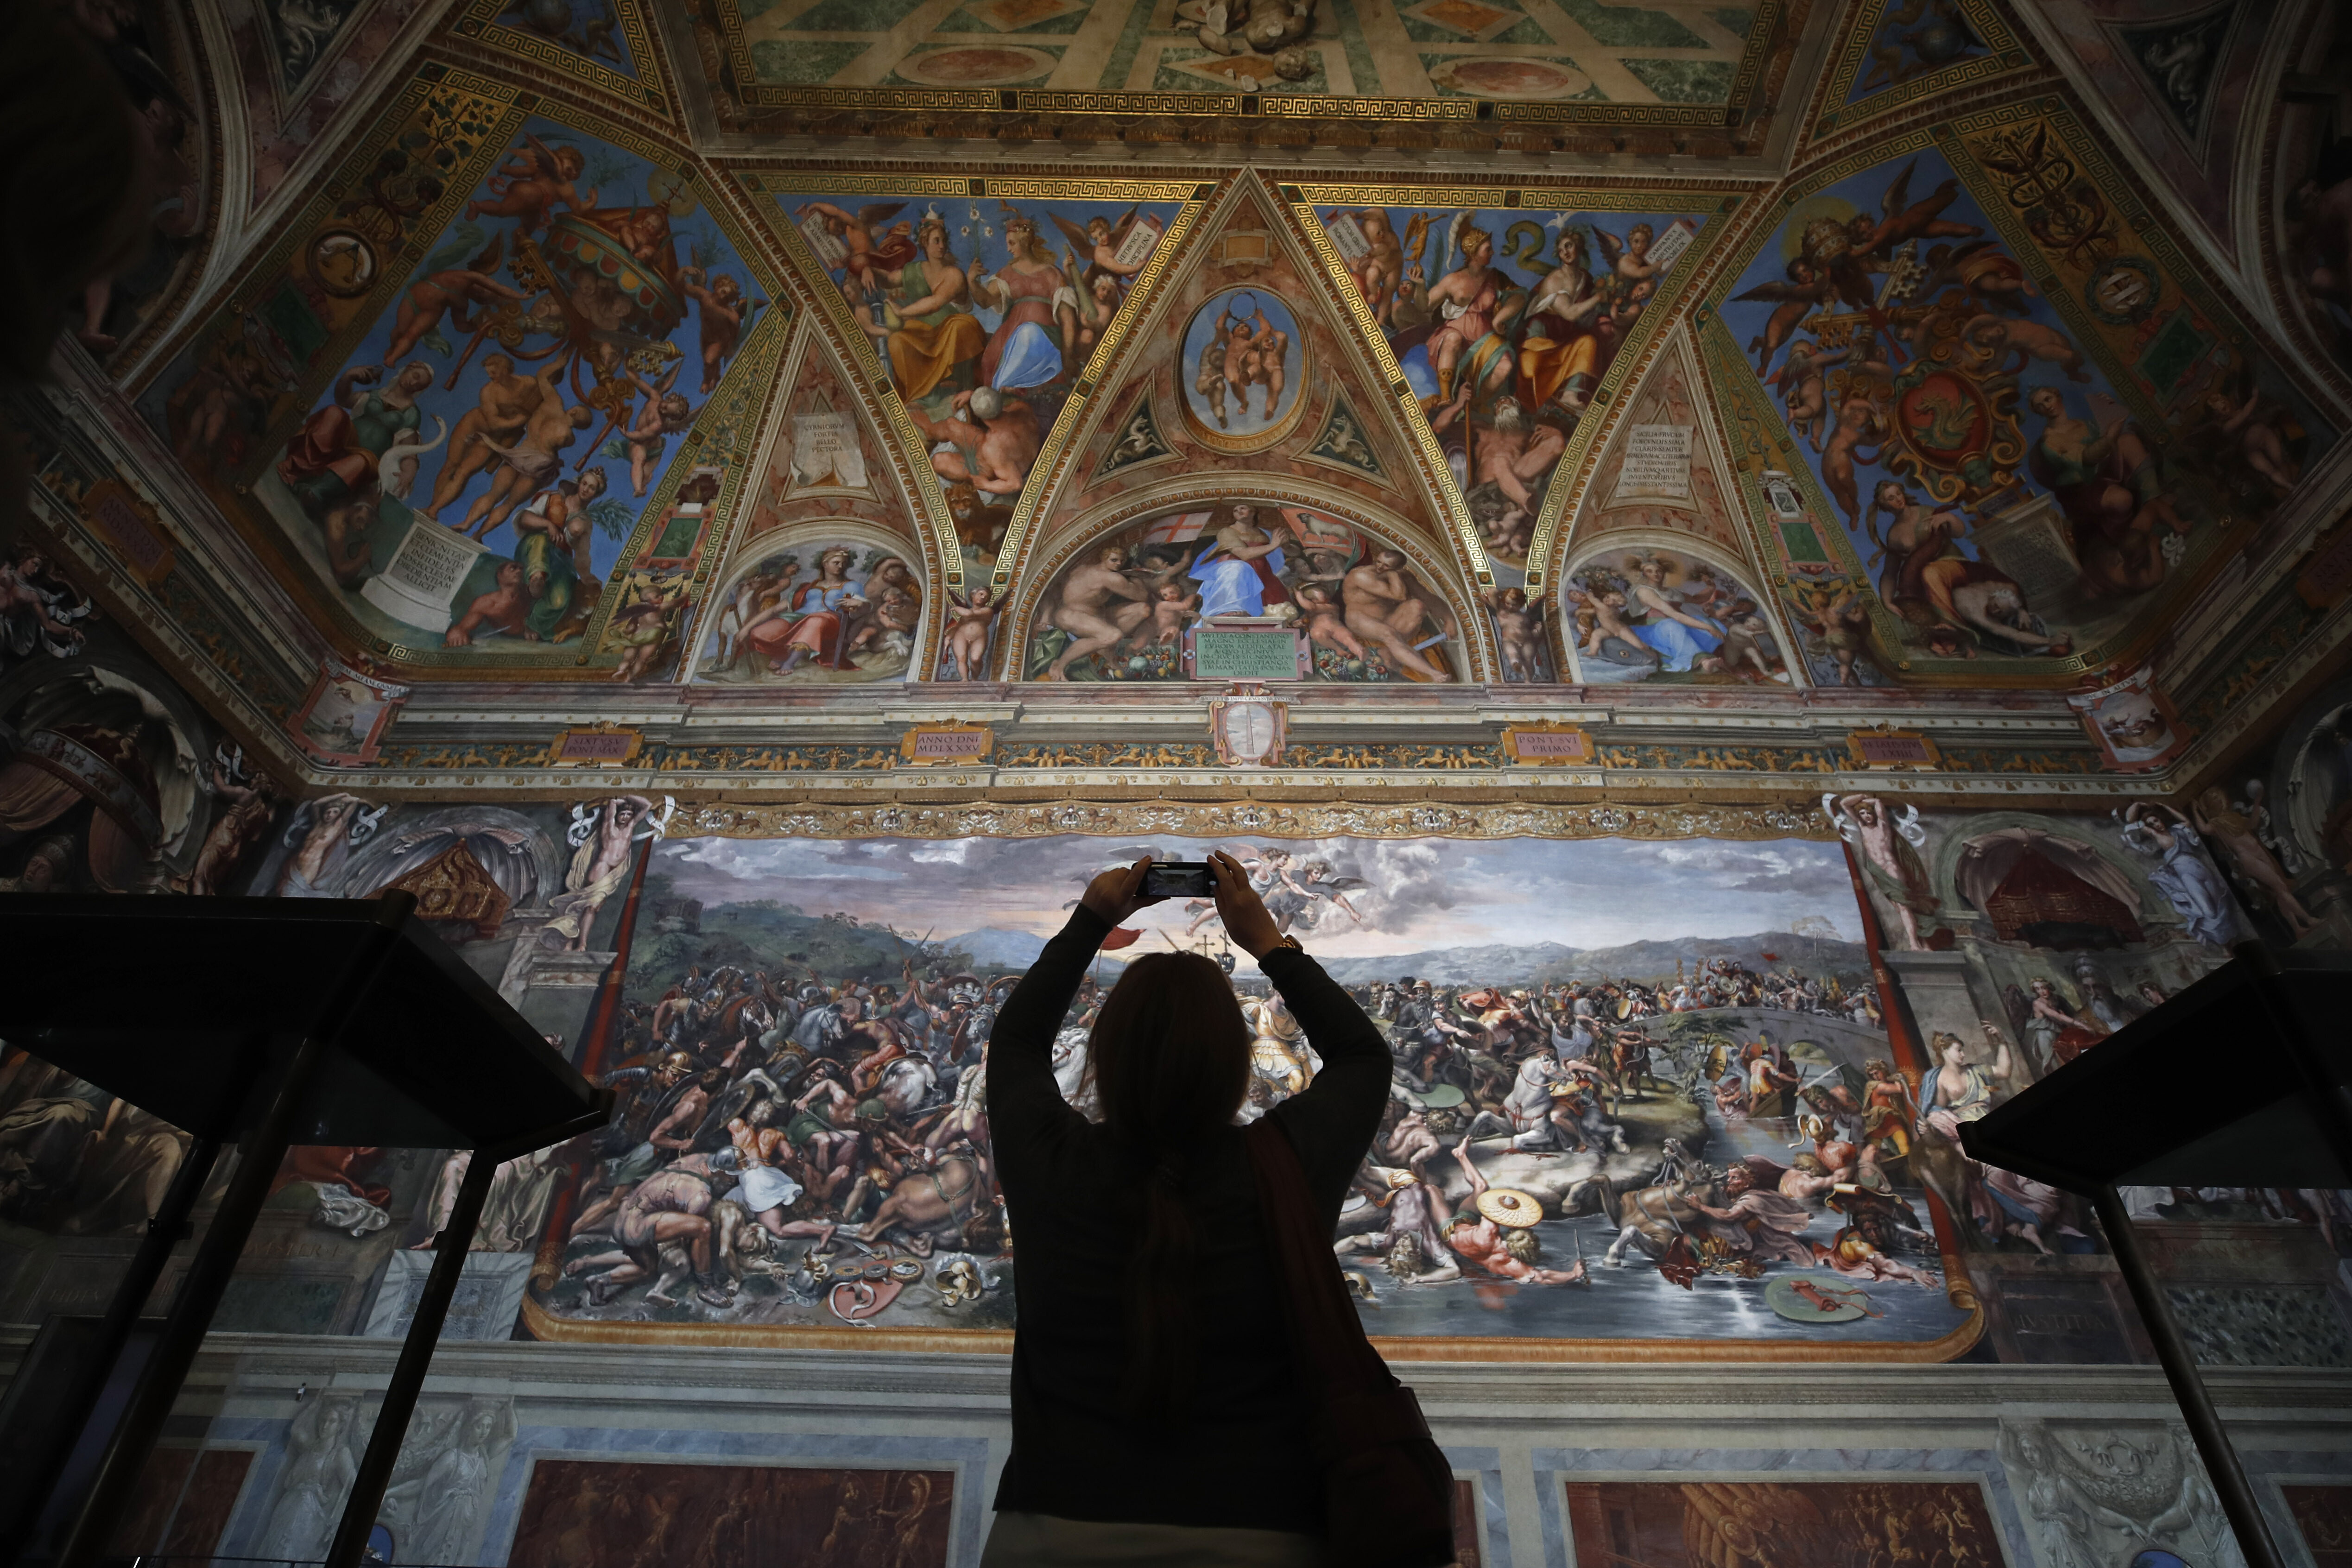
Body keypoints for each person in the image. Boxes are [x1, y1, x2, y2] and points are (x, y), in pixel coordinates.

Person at [981, 851, 1388, 1565]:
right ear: (1235, 1067)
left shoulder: (1053, 1160)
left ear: (1105, 1059)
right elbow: (1362, 1058)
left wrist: (1092, 920)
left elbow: (1016, 1040)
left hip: (1054, 1532)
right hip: (1261, 1533)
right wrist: (1268, 942)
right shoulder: (1282, 1165)